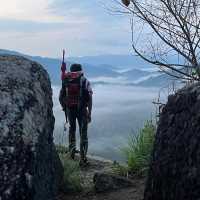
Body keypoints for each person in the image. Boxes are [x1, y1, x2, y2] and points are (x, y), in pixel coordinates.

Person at [59, 63, 93, 166]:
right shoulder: (84, 81)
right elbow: (90, 98)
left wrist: (65, 108)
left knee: (72, 130)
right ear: (81, 70)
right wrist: (89, 113)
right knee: (83, 134)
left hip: (70, 110)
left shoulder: (66, 80)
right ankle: (83, 159)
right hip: (82, 110)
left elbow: (61, 97)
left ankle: (72, 153)